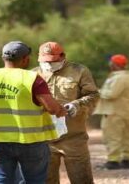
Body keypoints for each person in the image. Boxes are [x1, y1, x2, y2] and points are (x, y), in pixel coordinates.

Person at [0, 41, 67, 184]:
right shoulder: (32, 78)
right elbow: (52, 108)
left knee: (3, 180)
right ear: (26, 59)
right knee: (34, 180)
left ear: (3, 58)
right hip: (30, 141)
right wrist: (61, 109)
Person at [34, 41, 99, 184]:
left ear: (62, 56)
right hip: (44, 138)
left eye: (53, 61)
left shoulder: (79, 71)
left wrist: (77, 104)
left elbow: (93, 95)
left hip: (74, 137)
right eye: (45, 61)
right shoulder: (33, 74)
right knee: (46, 180)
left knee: (81, 179)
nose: (49, 65)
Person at [94, 54, 129, 170]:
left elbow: (112, 94)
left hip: (113, 112)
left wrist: (97, 91)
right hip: (128, 111)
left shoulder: (118, 78)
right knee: (127, 136)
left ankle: (113, 161)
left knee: (112, 136)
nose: (109, 64)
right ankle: (127, 159)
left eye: (111, 62)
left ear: (114, 64)